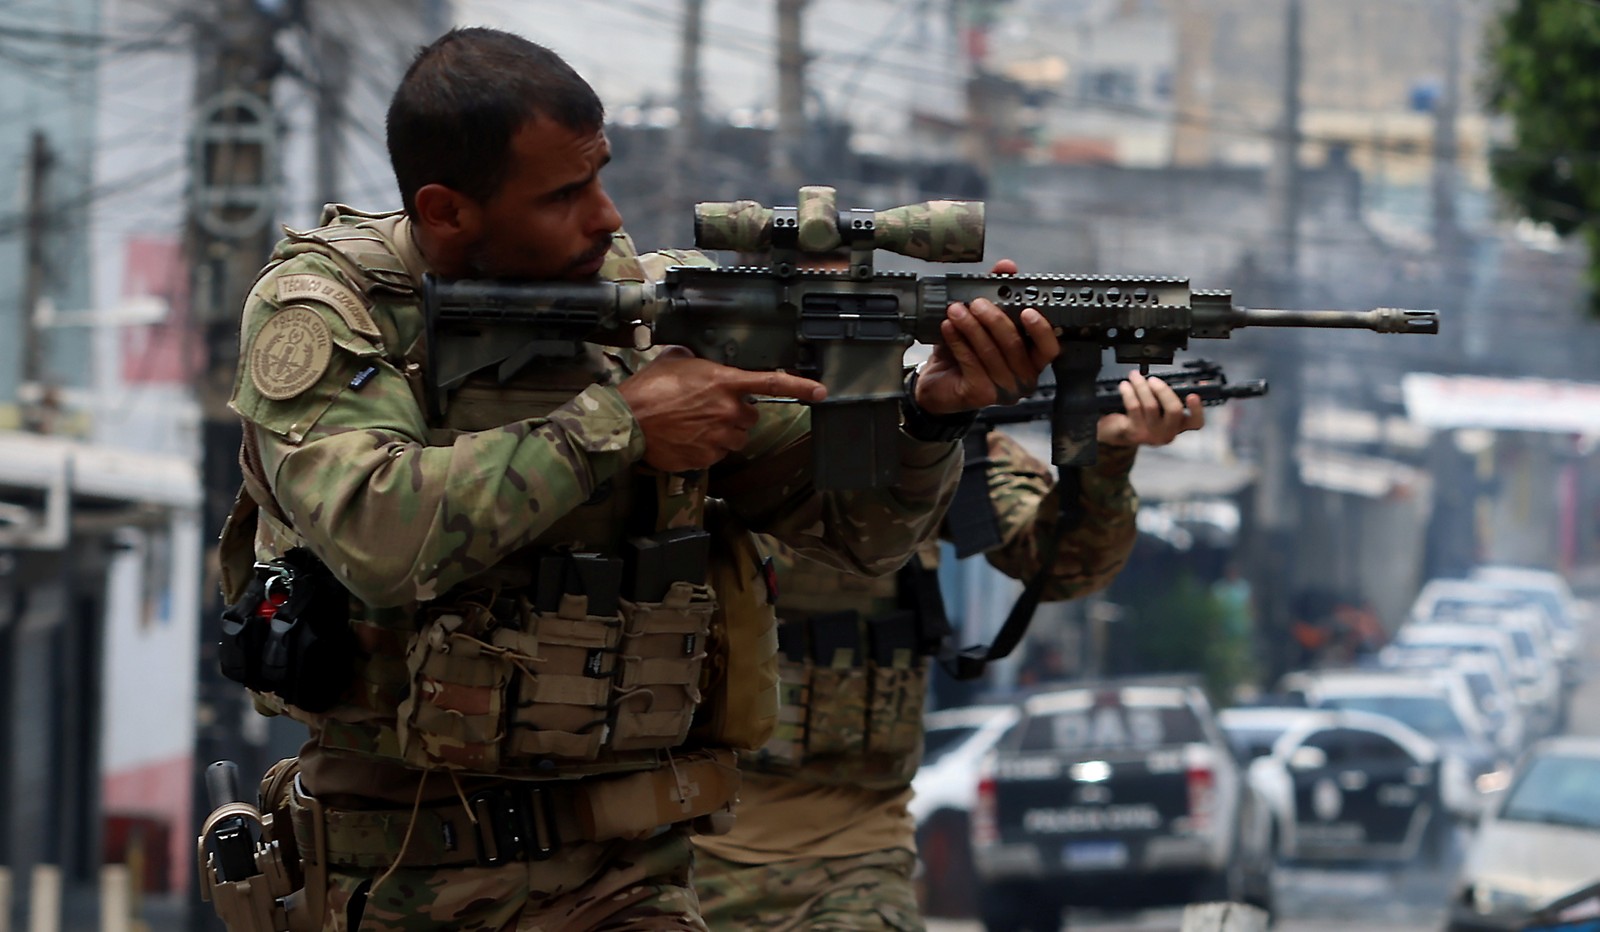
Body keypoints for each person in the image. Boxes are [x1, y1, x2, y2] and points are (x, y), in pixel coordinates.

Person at [213, 26, 1062, 932]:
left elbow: (862, 535)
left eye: (600, 175)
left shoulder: (652, 315)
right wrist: (618, 427)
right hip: (393, 879)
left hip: (625, 879)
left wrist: (929, 415)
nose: (607, 216)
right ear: (447, 211)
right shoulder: (330, 308)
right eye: (563, 194)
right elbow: (375, 533)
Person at [692, 373, 1206, 930]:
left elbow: (1061, 563)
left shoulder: (924, 425)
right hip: (689, 837)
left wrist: (1104, 456)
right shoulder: (702, 413)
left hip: (860, 847)